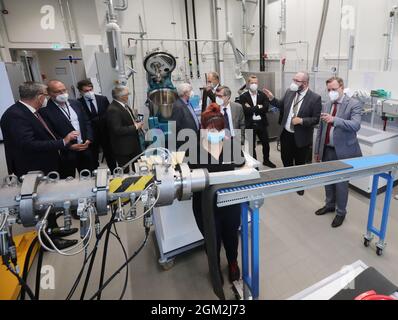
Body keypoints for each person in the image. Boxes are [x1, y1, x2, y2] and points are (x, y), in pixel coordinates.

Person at [0, 82, 78, 249]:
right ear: (39, 97)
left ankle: (53, 229)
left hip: (45, 165)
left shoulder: (32, 112)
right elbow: (28, 144)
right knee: (40, 205)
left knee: (48, 202)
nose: (47, 98)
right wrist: (62, 142)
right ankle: (48, 240)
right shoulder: (15, 115)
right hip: (32, 168)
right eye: (45, 95)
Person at [188, 103, 244, 284]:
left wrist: (230, 144)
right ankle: (215, 268)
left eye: (220, 130)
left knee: (231, 236)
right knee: (211, 240)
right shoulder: (194, 149)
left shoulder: (230, 146)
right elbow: (187, 173)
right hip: (205, 205)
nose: (216, 134)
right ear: (203, 130)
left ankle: (233, 262)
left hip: (229, 202)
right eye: (211, 131)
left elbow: (242, 162)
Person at [314, 77, 362, 228]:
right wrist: (317, 151)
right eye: (329, 90)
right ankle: (329, 205)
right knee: (327, 181)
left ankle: (341, 212)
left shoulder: (353, 104)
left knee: (341, 184)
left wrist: (335, 120)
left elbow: (355, 125)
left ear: (342, 87)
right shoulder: (327, 104)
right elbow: (321, 130)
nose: (331, 92)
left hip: (344, 152)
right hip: (327, 150)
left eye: (334, 89)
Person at [264, 71, 322, 194]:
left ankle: (299, 185)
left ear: (305, 83)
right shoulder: (290, 91)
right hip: (286, 133)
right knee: (286, 159)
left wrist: (301, 120)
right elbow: (280, 105)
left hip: (301, 137)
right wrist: (272, 98)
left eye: (297, 81)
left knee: (300, 163)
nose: (293, 83)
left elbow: (316, 119)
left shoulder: (315, 98)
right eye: (293, 79)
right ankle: (289, 180)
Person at [42, 80, 94, 179]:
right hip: (66, 152)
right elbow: (51, 133)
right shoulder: (45, 111)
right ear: (49, 93)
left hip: (84, 147)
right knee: (67, 180)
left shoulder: (76, 103)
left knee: (88, 177)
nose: (63, 94)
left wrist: (89, 139)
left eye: (64, 90)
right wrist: (69, 146)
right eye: (58, 91)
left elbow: (86, 122)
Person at [77, 79, 116, 171]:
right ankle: (95, 174)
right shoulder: (78, 103)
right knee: (93, 157)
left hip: (105, 132)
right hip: (90, 136)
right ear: (80, 91)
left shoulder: (102, 99)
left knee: (110, 155)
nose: (89, 92)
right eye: (86, 91)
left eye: (90, 89)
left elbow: (109, 115)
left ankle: (114, 171)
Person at [239, 75, 276, 168]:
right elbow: (246, 111)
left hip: (261, 123)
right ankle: (254, 163)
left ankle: (266, 160)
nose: (254, 85)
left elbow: (266, 108)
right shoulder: (243, 96)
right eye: (252, 83)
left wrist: (252, 108)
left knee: (266, 144)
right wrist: (258, 107)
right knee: (252, 146)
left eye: (256, 83)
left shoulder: (262, 95)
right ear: (248, 84)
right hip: (250, 124)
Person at [107, 86, 144, 168]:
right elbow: (117, 129)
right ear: (121, 97)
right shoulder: (113, 109)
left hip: (133, 145)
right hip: (124, 149)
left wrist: (135, 122)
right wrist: (135, 127)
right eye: (127, 94)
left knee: (137, 168)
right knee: (127, 172)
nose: (128, 96)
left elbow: (127, 121)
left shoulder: (124, 106)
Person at [170, 83, 201, 149]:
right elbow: (174, 127)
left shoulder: (188, 103)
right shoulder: (178, 106)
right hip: (185, 142)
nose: (192, 92)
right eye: (190, 90)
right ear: (185, 93)